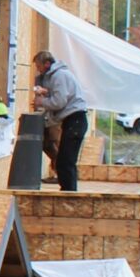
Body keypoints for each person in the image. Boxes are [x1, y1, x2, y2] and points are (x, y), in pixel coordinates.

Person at [32, 49, 90, 191]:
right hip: (73, 121)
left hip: (75, 120)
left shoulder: (59, 76)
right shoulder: (59, 75)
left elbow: (59, 101)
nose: (39, 70)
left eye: (39, 66)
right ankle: (67, 190)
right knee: (64, 160)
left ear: (47, 64)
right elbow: (62, 95)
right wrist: (47, 93)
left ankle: (68, 193)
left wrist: (41, 101)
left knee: (66, 161)